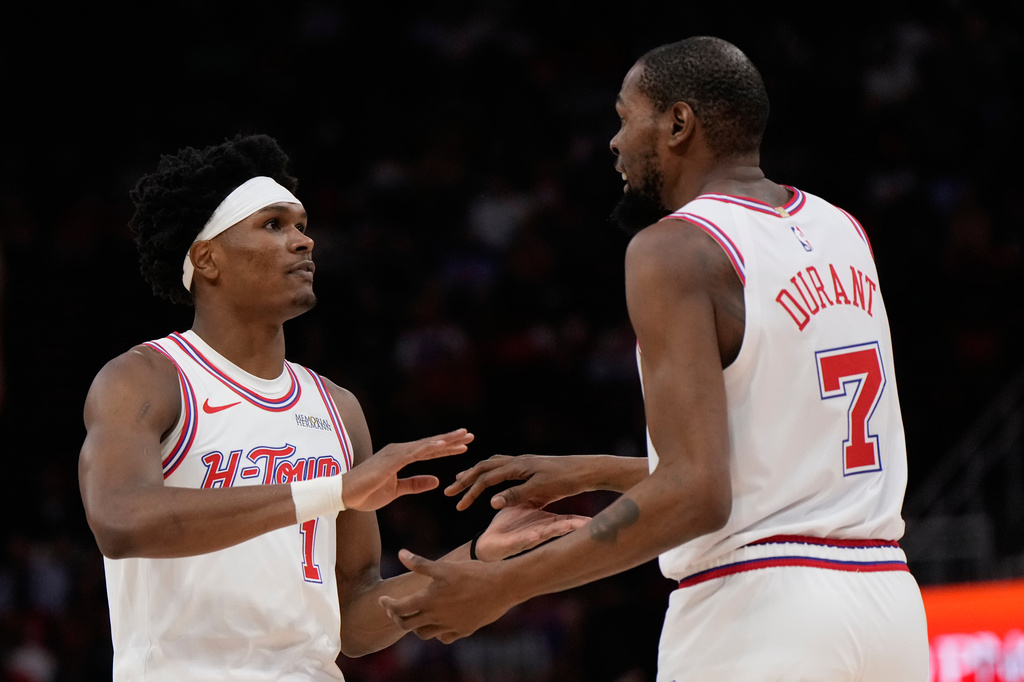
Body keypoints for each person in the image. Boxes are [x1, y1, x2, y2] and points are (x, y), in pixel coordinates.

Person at [379, 37, 930, 680]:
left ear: (677, 124)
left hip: (760, 611)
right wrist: (594, 470)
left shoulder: (673, 249)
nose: (613, 141)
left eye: (624, 115)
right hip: (889, 605)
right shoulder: (843, 230)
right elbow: (775, 467)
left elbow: (698, 495)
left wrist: (504, 585)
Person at [78, 133, 586, 681]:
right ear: (207, 258)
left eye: (300, 225)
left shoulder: (337, 408)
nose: (303, 241)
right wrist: (332, 491)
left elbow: (355, 624)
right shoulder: (145, 377)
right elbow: (120, 522)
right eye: (273, 224)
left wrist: (478, 555)